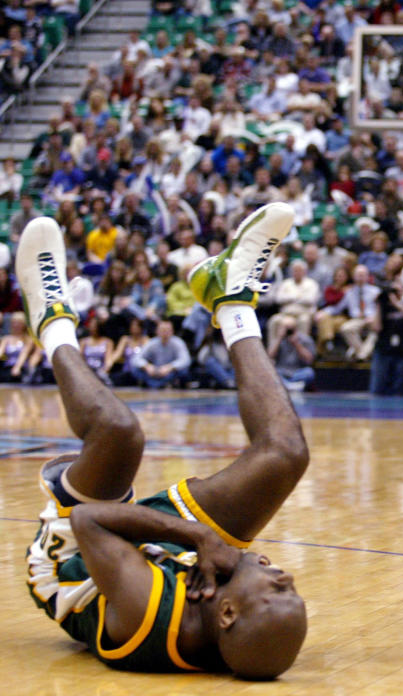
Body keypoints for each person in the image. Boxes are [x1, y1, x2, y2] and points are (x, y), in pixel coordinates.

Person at [18, 204, 308, 678]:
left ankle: (52, 321)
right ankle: (231, 298)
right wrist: (197, 544)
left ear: (227, 614)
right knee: (285, 456)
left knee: (120, 434)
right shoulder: (227, 616)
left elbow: (92, 520)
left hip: (78, 552)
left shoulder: (145, 611)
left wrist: (198, 536)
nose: (287, 577)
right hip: (163, 554)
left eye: (278, 590)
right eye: (291, 589)